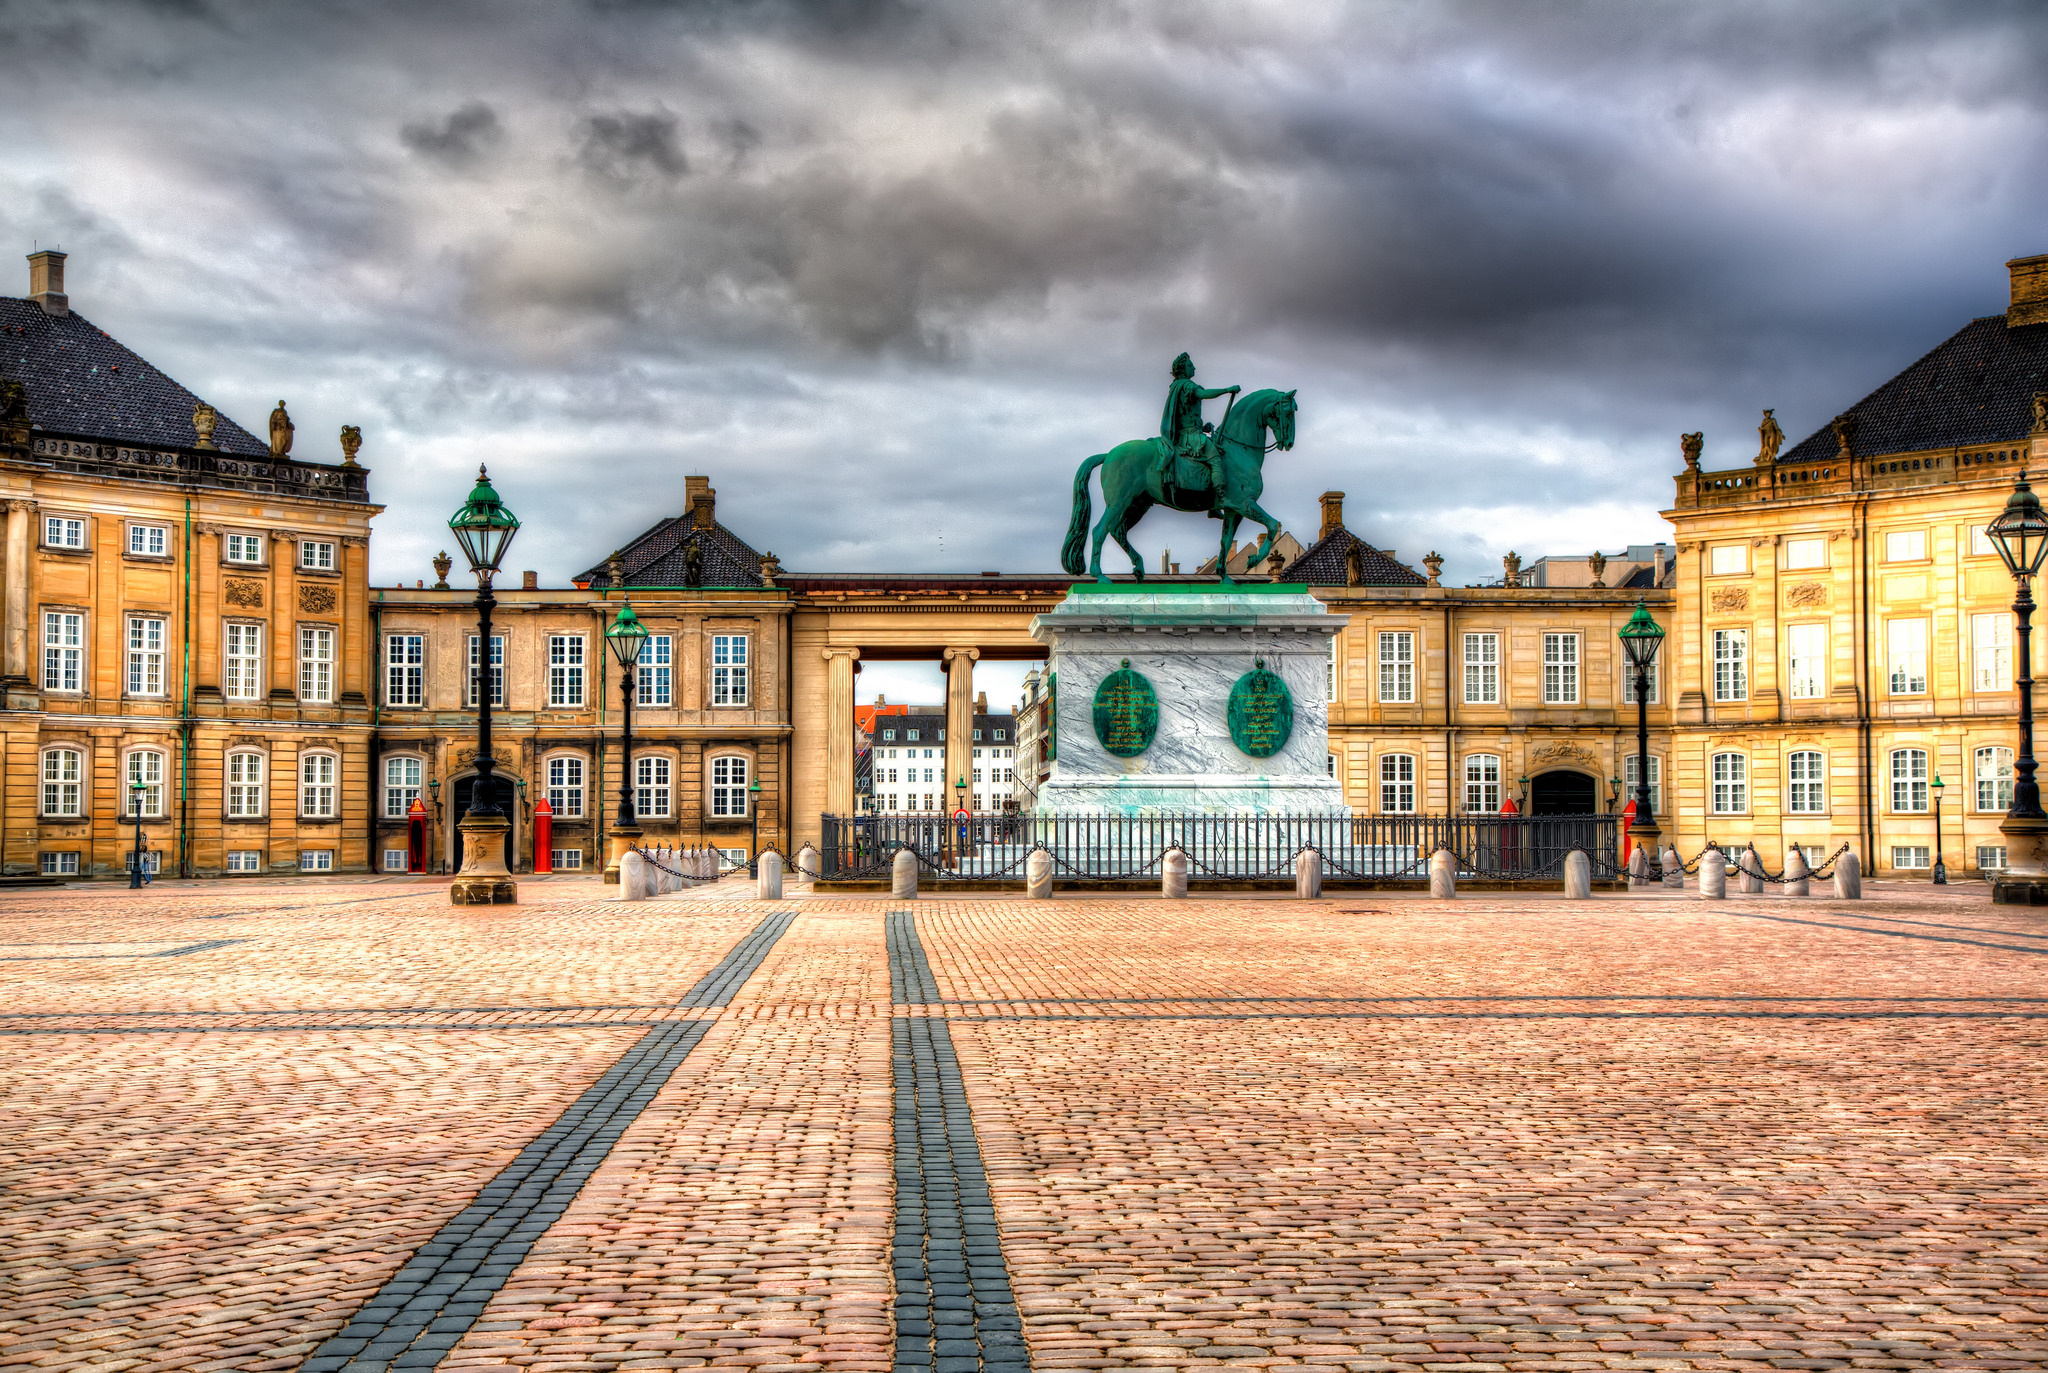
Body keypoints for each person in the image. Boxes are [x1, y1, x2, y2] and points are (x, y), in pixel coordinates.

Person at [1158, 353, 1238, 500]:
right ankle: (1220, 498)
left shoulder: (1177, 386)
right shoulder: (1187, 385)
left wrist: (1202, 427)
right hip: (1189, 435)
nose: (1194, 367)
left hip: (1190, 430)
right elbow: (1203, 394)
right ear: (1183, 369)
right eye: (1190, 365)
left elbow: (1185, 415)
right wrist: (1226, 390)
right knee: (1215, 458)